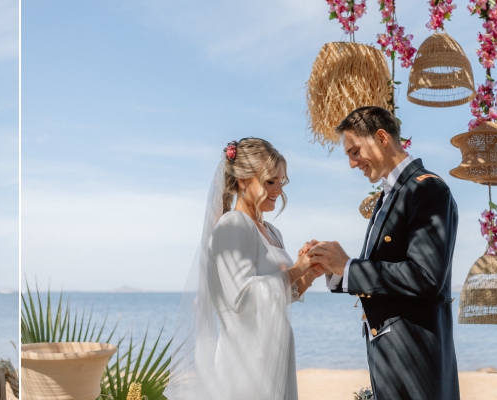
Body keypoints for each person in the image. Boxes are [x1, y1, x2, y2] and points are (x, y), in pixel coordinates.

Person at [306, 106, 461, 399]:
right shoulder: (388, 196)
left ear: (381, 138)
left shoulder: (428, 190)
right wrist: (333, 268)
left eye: (354, 151)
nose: (352, 163)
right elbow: (382, 274)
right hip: (389, 359)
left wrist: (349, 266)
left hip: (415, 362)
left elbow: (425, 277)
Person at [166, 137, 325, 400]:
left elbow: (276, 296)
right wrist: (296, 269)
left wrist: (309, 273)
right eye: (269, 181)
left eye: (281, 182)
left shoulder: (271, 231)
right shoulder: (233, 225)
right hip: (246, 361)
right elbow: (241, 298)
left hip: (273, 353)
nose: (278, 190)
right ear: (243, 180)